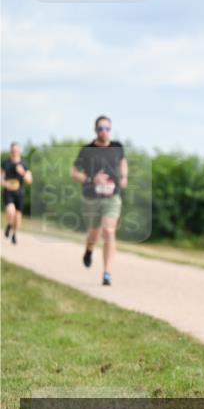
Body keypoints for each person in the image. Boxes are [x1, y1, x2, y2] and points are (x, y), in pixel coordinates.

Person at [71, 116, 128, 286]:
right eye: (101, 128)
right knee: (94, 233)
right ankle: (89, 250)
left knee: (109, 231)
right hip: (92, 197)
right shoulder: (87, 150)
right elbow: (74, 173)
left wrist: (124, 177)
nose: (105, 131)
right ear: (95, 130)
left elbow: (123, 162)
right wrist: (91, 178)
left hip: (112, 196)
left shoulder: (117, 147)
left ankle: (107, 273)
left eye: (108, 128)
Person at [2, 142, 32, 245]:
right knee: (11, 211)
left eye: (16, 150)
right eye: (13, 150)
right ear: (11, 151)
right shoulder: (5, 163)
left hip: (19, 193)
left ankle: (14, 234)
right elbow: (1, 176)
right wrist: (4, 183)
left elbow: (29, 180)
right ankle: (9, 224)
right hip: (8, 191)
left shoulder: (24, 164)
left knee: (18, 216)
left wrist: (23, 173)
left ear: (19, 151)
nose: (14, 152)